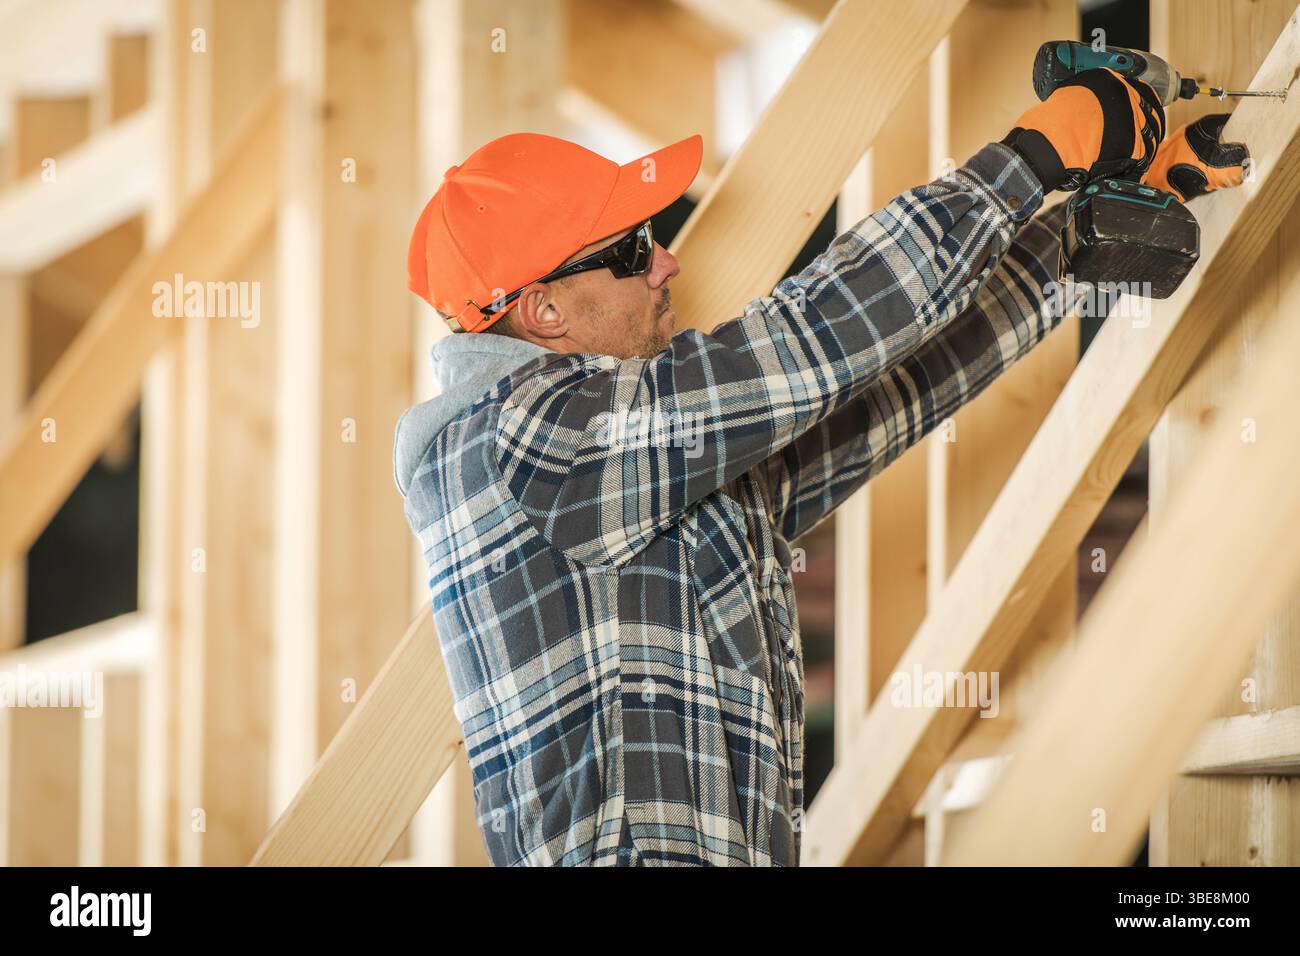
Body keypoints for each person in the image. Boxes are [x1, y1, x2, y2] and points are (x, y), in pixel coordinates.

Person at [394, 68, 1248, 866]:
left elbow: (873, 393)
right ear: (542, 310)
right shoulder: (521, 444)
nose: (666, 261)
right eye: (630, 252)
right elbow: (816, 334)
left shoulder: (624, 464)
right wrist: (1031, 157)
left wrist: (1069, 246)